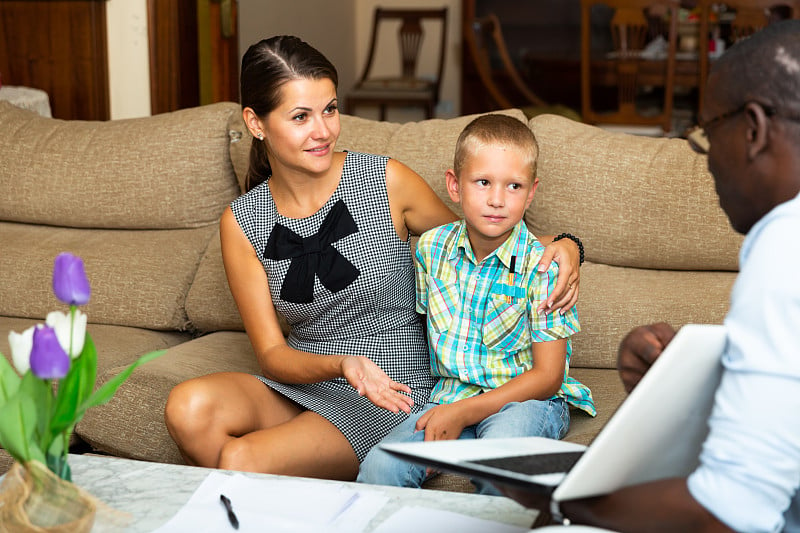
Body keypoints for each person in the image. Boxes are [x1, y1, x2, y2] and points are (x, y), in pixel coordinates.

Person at [163, 35, 584, 481]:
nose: (323, 130)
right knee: (185, 407)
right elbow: (270, 354)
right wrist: (342, 366)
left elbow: (482, 237)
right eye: (301, 116)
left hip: (390, 390)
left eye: (329, 109)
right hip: (311, 375)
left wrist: (570, 244)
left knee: (241, 461)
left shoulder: (385, 181)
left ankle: (279, 487)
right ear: (256, 122)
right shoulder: (243, 220)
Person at [497, 20, 800, 531]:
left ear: (753, 130)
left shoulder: (783, 243)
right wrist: (688, 376)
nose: (705, 162)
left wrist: (560, 505)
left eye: (705, 135)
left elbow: (726, 512)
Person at [357, 114, 595, 494]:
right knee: (381, 467)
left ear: (531, 193)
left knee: (501, 468)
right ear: (454, 185)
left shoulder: (545, 267)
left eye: (513, 186)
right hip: (450, 395)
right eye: (483, 182)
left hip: (526, 400)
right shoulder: (432, 250)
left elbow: (547, 377)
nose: (497, 200)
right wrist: (449, 411)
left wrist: (462, 414)